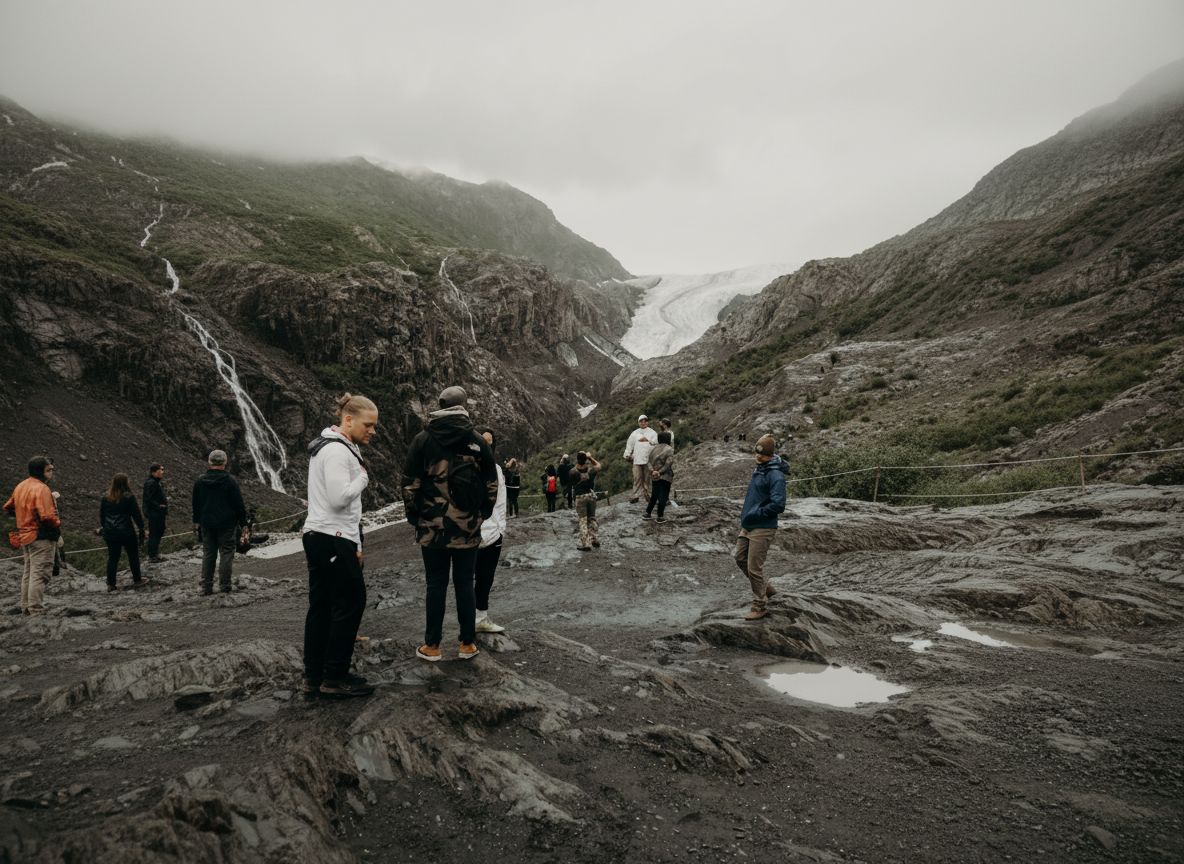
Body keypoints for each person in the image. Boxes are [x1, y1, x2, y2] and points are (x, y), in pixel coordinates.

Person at [402, 386, 497, 662]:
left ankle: (432, 646)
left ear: (440, 405)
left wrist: (415, 518)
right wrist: (482, 515)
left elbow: (409, 484)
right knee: (465, 583)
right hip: (467, 527)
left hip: (431, 527)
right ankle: (467, 644)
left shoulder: (422, 440)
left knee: (435, 584)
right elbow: (491, 482)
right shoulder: (477, 441)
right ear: (463, 406)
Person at [302, 393, 378, 699]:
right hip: (332, 537)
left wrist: (357, 542)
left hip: (322, 535)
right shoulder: (337, 452)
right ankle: (334, 676)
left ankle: (314, 675)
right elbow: (339, 498)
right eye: (368, 425)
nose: (372, 431)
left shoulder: (330, 447)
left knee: (322, 606)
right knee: (350, 602)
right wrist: (363, 478)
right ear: (348, 420)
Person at [734, 435, 787, 621]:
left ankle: (760, 605)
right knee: (739, 558)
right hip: (749, 524)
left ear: (769, 455)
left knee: (754, 567)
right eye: (757, 454)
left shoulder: (776, 474)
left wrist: (757, 513)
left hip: (763, 526)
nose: (757, 457)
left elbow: (779, 504)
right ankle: (765, 588)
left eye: (761, 455)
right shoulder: (761, 468)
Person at [4, 456, 61, 615]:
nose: (51, 472)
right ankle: (36, 608)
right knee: (40, 573)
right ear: (40, 471)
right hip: (41, 536)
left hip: (25, 535)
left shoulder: (20, 486)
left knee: (29, 572)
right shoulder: (42, 489)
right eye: (48, 469)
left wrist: (24, 515)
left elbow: (8, 507)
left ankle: (26, 607)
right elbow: (47, 516)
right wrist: (57, 525)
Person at [191, 449, 247, 596]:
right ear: (225, 462)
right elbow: (238, 504)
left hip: (206, 523)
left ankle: (206, 587)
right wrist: (244, 523)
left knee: (208, 554)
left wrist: (196, 522)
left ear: (209, 462)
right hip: (227, 523)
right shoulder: (230, 480)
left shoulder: (200, 481)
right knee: (226, 553)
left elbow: (195, 504)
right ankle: (225, 586)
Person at [475, 427, 507, 633]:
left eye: (490, 441)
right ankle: (470, 622)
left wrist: (501, 528)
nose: (487, 445)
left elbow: (501, 501)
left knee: (486, 576)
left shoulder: (496, 469)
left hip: (494, 531)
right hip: (472, 532)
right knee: (468, 577)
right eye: (482, 441)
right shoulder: (466, 467)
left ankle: (481, 617)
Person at [99, 474, 146, 591]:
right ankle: (137, 579)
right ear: (126, 483)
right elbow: (136, 515)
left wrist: (106, 528)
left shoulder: (106, 497)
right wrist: (141, 528)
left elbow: (102, 516)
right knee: (133, 555)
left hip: (110, 533)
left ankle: (111, 584)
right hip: (126, 532)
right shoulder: (129, 497)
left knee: (113, 557)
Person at [568, 451, 601, 551]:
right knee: (592, 518)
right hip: (591, 496)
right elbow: (599, 465)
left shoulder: (572, 472)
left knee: (583, 520)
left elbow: (569, 484)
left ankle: (585, 543)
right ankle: (595, 539)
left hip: (580, 497)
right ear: (586, 459)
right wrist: (590, 458)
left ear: (577, 459)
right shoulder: (591, 470)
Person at [623, 414, 658, 503]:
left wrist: (647, 440)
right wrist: (627, 454)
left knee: (647, 478)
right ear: (638, 422)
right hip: (637, 459)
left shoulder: (653, 433)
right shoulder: (634, 433)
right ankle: (635, 496)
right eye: (641, 421)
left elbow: (656, 443)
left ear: (647, 422)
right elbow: (629, 444)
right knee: (637, 478)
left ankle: (648, 495)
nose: (643, 423)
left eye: (645, 421)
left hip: (648, 459)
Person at [645, 432, 675, 523]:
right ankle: (660, 516)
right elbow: (668, 463)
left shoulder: (652, 448)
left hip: (654, 475)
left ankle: (648, 513)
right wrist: (659, 472)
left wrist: (653, 471)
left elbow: (648, 462)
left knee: (654, 494)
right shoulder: (670, 449)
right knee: (663, 496)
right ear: (668, 440)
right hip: (665, 476)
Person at [142, 464, 168, 562]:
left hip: (157, 512)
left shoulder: (154, 482)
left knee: (159, 531)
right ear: (154, 472)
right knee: (155, 533)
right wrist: (159, 506)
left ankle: (154, 554)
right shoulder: (151, 483)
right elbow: (148, 499)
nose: (162, 472)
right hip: (155, 513)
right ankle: (152, 556)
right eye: (160, 470)